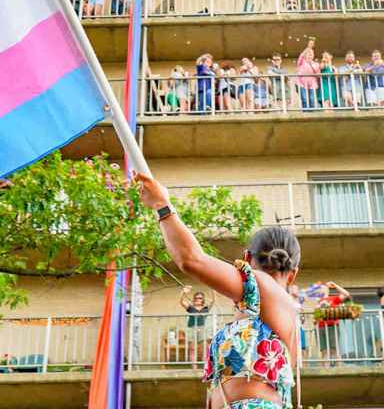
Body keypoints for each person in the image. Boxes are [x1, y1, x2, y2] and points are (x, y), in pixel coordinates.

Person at [135, 172, 300, 409]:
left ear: (246, 259)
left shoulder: (264, 287)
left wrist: (162, 205)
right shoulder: (271, 314)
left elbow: (191, 259)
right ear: (294, 273)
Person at [316, 281, 350, 365]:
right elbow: (316, 317)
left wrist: (335, 285)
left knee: (334, 349)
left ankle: (339, 369)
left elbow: (346, 294)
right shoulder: (318, 302)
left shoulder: (333, 298)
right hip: (321, 328)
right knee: (324, 351)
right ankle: (325, 370)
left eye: (322, 288)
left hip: (332, 326)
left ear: (327, 290)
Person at [180, 287, 210, 365]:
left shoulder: (206, 308)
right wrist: (183, 292)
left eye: (200, 298)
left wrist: (213, 291)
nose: (197, 299)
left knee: (204, 349)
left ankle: (205, 368)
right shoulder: (191, 308)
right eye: (196, 298)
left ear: (203, 299)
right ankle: (194, 368)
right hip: (191, 328)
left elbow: (213, 300)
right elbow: (181, 302)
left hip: (202, 329)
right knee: (192, 349)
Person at [296, 39, 320, 110]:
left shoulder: (315, 64)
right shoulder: (302, 61)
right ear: (305, 55)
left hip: (312, 84)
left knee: (312, 100)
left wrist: (312, 65)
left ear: (313, 56)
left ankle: (311, 112)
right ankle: (305, 112)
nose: (309, 55)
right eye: (308, 54)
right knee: (304, 99)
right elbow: (302, 55)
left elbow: (318, 74)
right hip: (302, 83)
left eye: (311, 54)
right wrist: (308, 47)